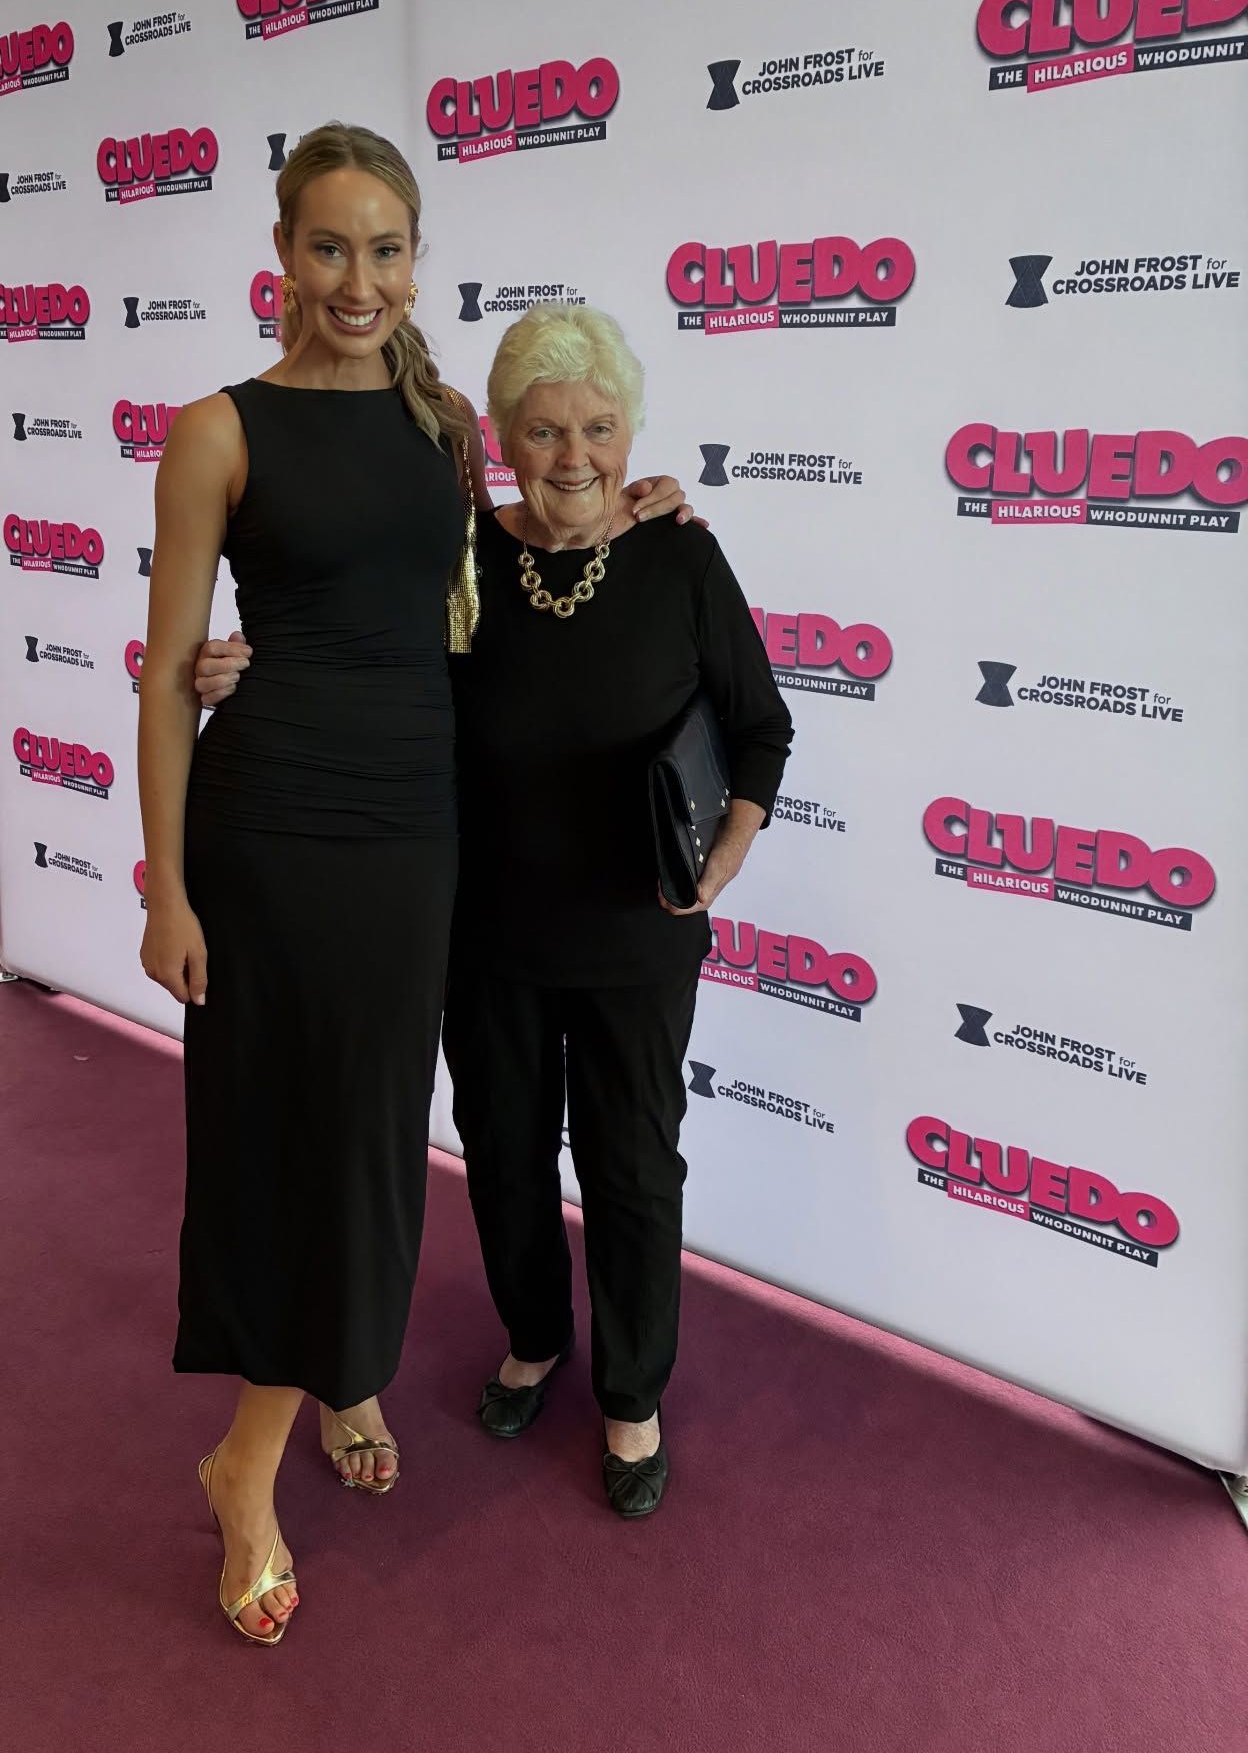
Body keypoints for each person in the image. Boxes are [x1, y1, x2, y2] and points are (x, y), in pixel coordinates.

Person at [139, 126, 692, 1645]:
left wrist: (632, 510)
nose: (358, 279)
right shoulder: (216, 430)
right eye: (330, 247)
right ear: (282, 252)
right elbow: (169, 680)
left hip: (417, 832)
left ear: (412, 259)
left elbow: (498, 568)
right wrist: (166, 890)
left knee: (381, 1132)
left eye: (386, 250)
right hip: (271, 830)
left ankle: (347, 1372)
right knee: (290, 1134)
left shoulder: (442, 421)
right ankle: (243, 1466)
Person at [197, 301, 793, 1524]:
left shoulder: (680, 556)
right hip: (483, 933)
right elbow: (357, 659)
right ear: (503, 443)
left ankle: (632, 1393)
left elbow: (762, 729)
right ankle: (534, 1338)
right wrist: (243, 665)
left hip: (637, 930)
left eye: (600, 428)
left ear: (631, 436)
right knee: (507, 1154)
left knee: (632, 1167)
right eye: (545, 430)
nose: (575, 456)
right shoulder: (460, 560)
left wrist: (722, 863)